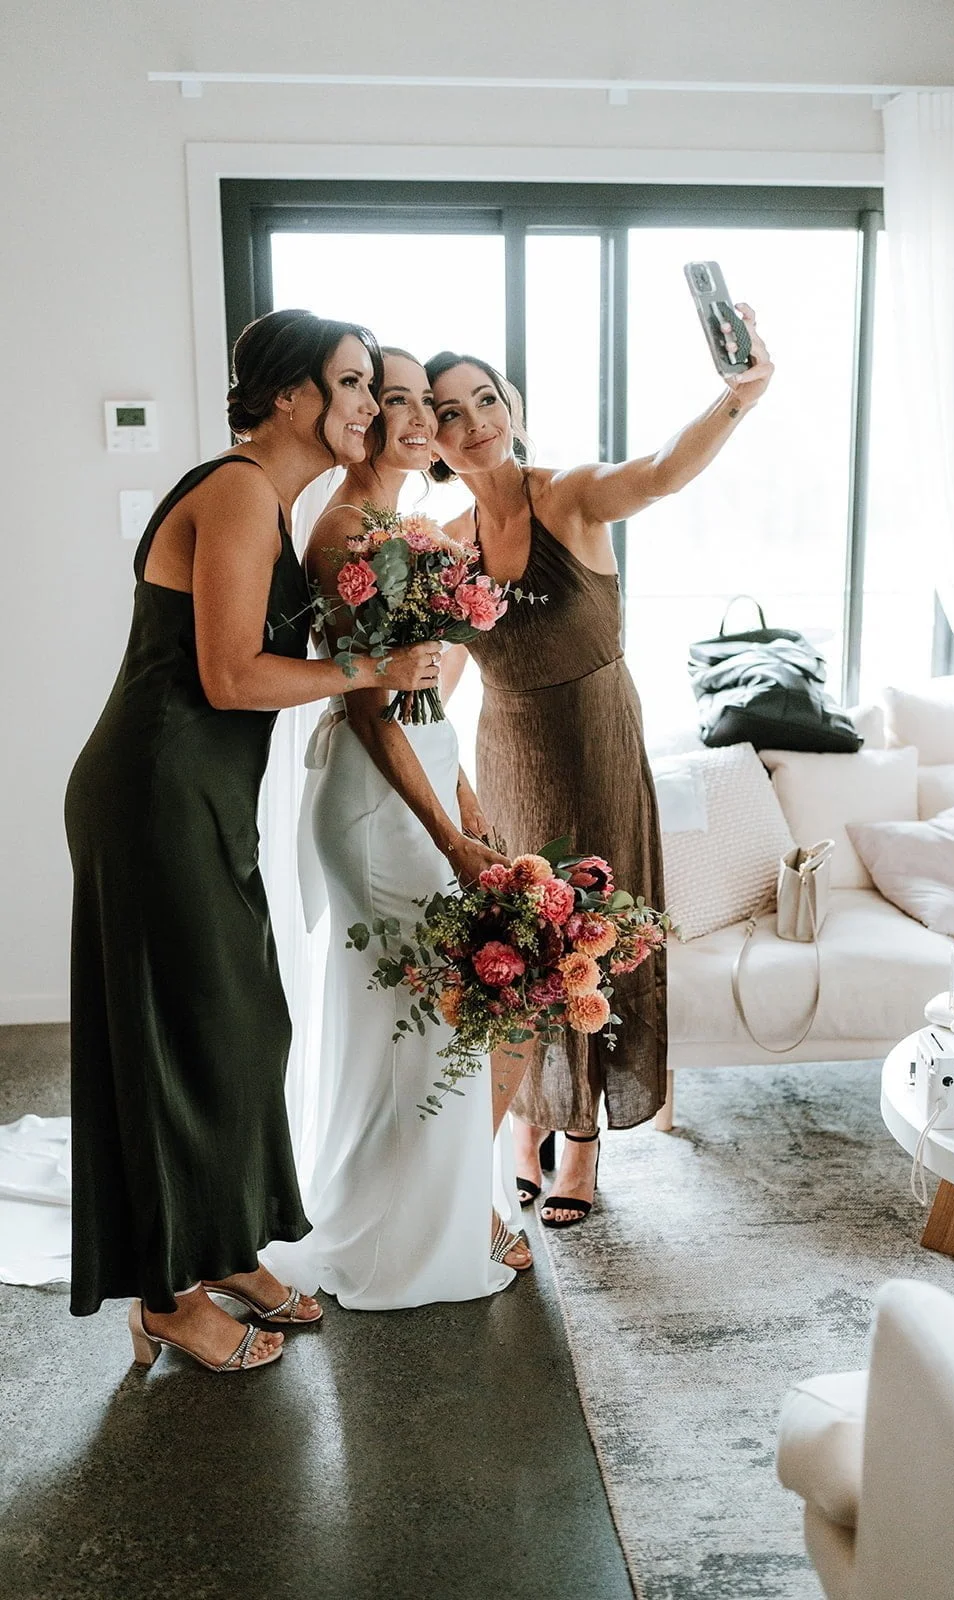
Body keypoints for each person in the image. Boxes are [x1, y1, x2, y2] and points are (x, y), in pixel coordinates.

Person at [64, 310, 441, 1372]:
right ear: (288, 396)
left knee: (239, 1026)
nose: (369, 404)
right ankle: (166, 1298)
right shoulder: (234, 490)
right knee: (179, 1040)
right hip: (155, 791)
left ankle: (225, 1246)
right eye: (352, 383)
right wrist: (372, 670)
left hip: (200, 791)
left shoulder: (273, 502)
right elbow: (231, 677)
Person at [427, 308, 774, 1226]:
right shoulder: (446, 545)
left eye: (485, 400)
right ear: (433, 439)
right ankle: (526, 1127)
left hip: (597, 746)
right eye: (449, 412)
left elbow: (661, 472)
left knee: (594, 945)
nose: (475, 422)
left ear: (512, 407)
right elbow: (441, 674)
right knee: (517, 950)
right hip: (507, 755)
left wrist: (736, 397)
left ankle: (580, 1144)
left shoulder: (570, 498)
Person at [262, 347, 531, 1312]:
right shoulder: (345, 530)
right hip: (377, 805)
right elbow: (375, 709)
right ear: (364, 416)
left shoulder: (406, 527)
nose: (420, 420)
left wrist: (468, 803)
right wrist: (449, 840)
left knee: (422, 1027)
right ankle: (401, 1239)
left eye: (427, 403)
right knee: (430, 1019)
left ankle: (434, 1215)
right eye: (395, 401)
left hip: (418, 779)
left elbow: (422, 698)